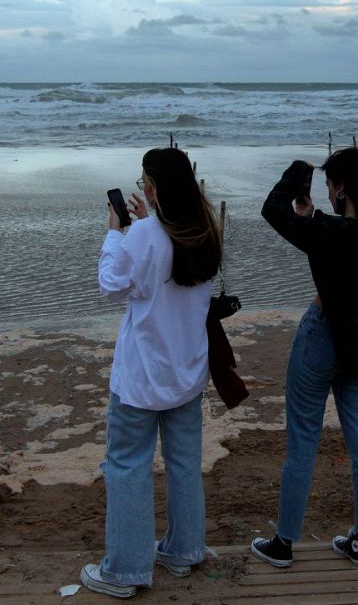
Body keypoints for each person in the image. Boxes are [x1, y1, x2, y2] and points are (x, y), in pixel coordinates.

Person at [251, 147, 358, 570]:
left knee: (302, 441)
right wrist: (312, 213)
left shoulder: (329, 231)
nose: (325, 190)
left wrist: (297, 175)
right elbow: (339, 240)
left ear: (340, 187)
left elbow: (271, 209)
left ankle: (284, 542)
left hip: (322, 337)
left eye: (328, 184)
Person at [81, 147, 224, 599]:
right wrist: (143, 224)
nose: (141, 186)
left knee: (126, 466)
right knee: (183, 464)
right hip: (186, 371)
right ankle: (184, 549)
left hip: (142, 376)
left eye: (145, 180)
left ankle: (125, 569)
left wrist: (114, 233)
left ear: (157, 186)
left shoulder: (143, 235)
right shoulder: (204, 230)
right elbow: (163, 252)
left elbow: (110, 285)